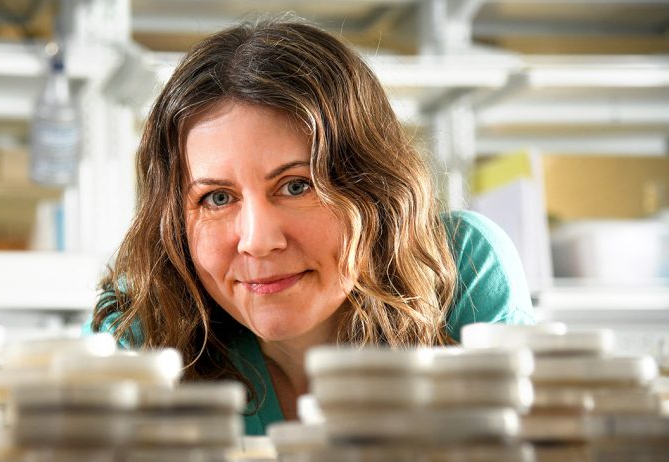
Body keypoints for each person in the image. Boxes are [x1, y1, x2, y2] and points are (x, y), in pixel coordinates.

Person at [90, 16, 534, 435]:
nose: (258, 241)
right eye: (217, 198)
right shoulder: (144, 319)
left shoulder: (459, 269)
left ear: (375, 190)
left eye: (297, 186)